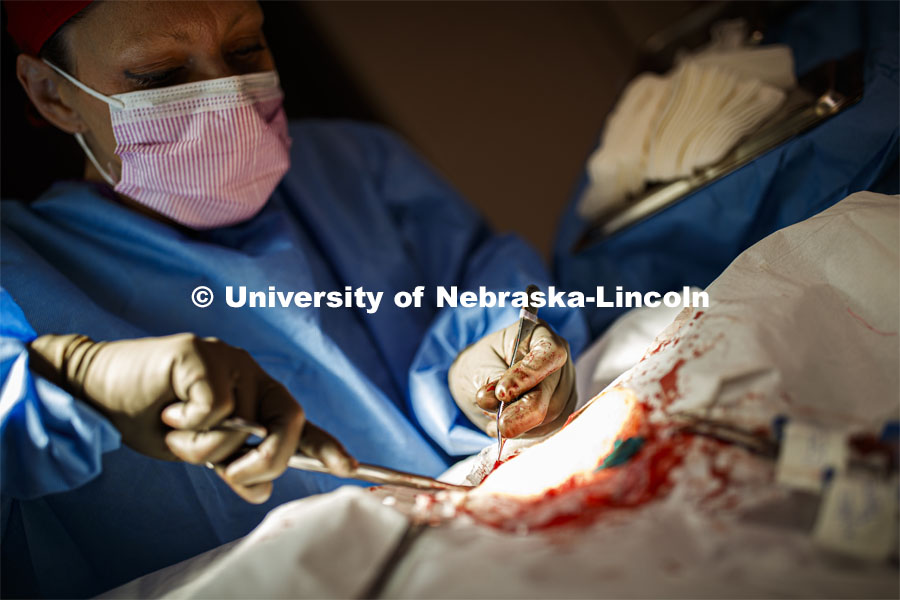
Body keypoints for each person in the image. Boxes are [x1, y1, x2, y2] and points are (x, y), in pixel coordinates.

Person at [0, 2, 588, 597]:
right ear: (54, 95)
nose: (226, 94)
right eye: (160, 75)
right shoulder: (17, 272)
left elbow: (481, 287)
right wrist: (74, 381)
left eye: (245, 49)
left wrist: (486, 366)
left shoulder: (357, 167)